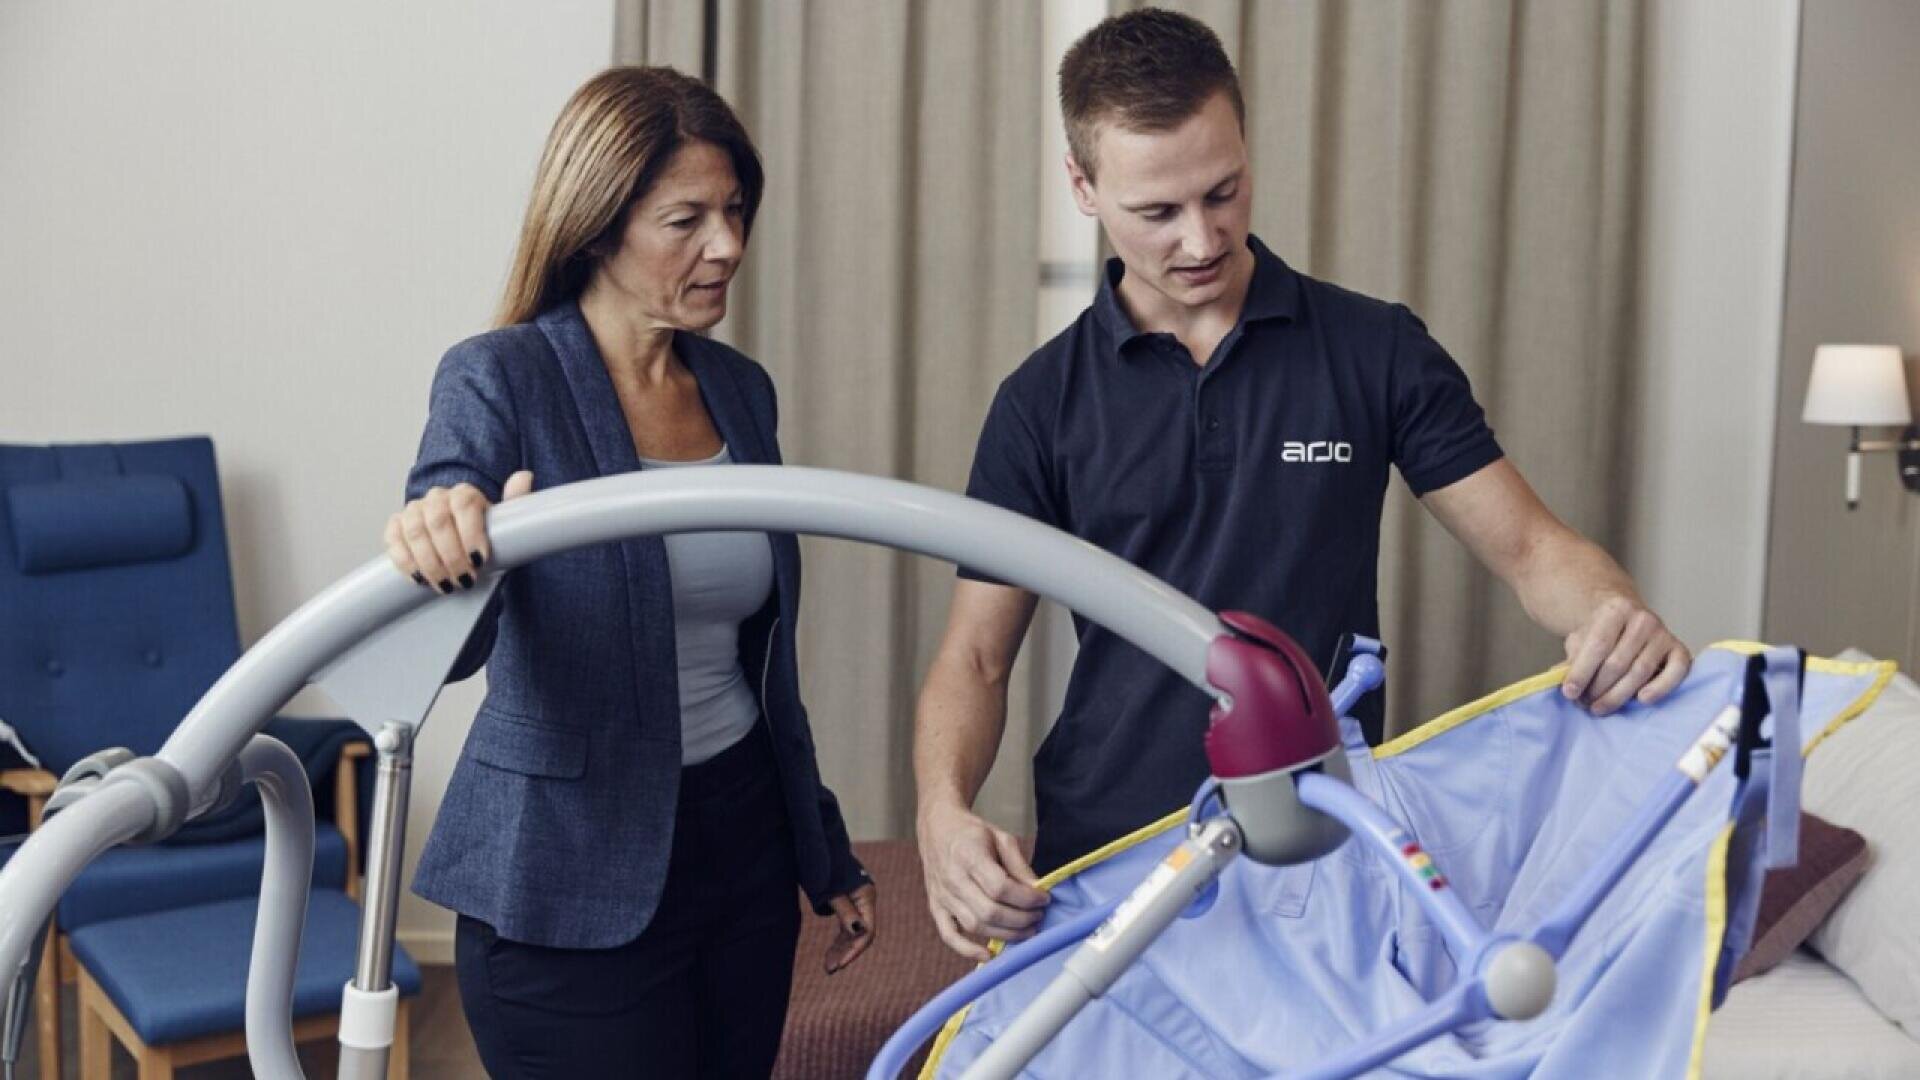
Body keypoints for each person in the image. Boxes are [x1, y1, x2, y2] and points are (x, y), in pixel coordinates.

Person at [913, 8, 1692, 962]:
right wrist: (941, 809)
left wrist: (1614, 612)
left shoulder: (1375, 350)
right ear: (1083, 186)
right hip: (1112, 855)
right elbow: (976, 659)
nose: (1202, 239)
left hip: (1320, 850)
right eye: (1158, 213)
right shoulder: (1040, 403)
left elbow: (1533, 550)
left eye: (1224, 191)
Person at [384, 66, 875, 1078]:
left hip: (741, 850)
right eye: (686, 220)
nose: (726, 245)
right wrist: (446, 539)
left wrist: (817, 843)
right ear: (597, 229)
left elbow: (761, 659)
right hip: (567, 867)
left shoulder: (739, 390)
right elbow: (450, 644)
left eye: (733, 212)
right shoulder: (501, 376)